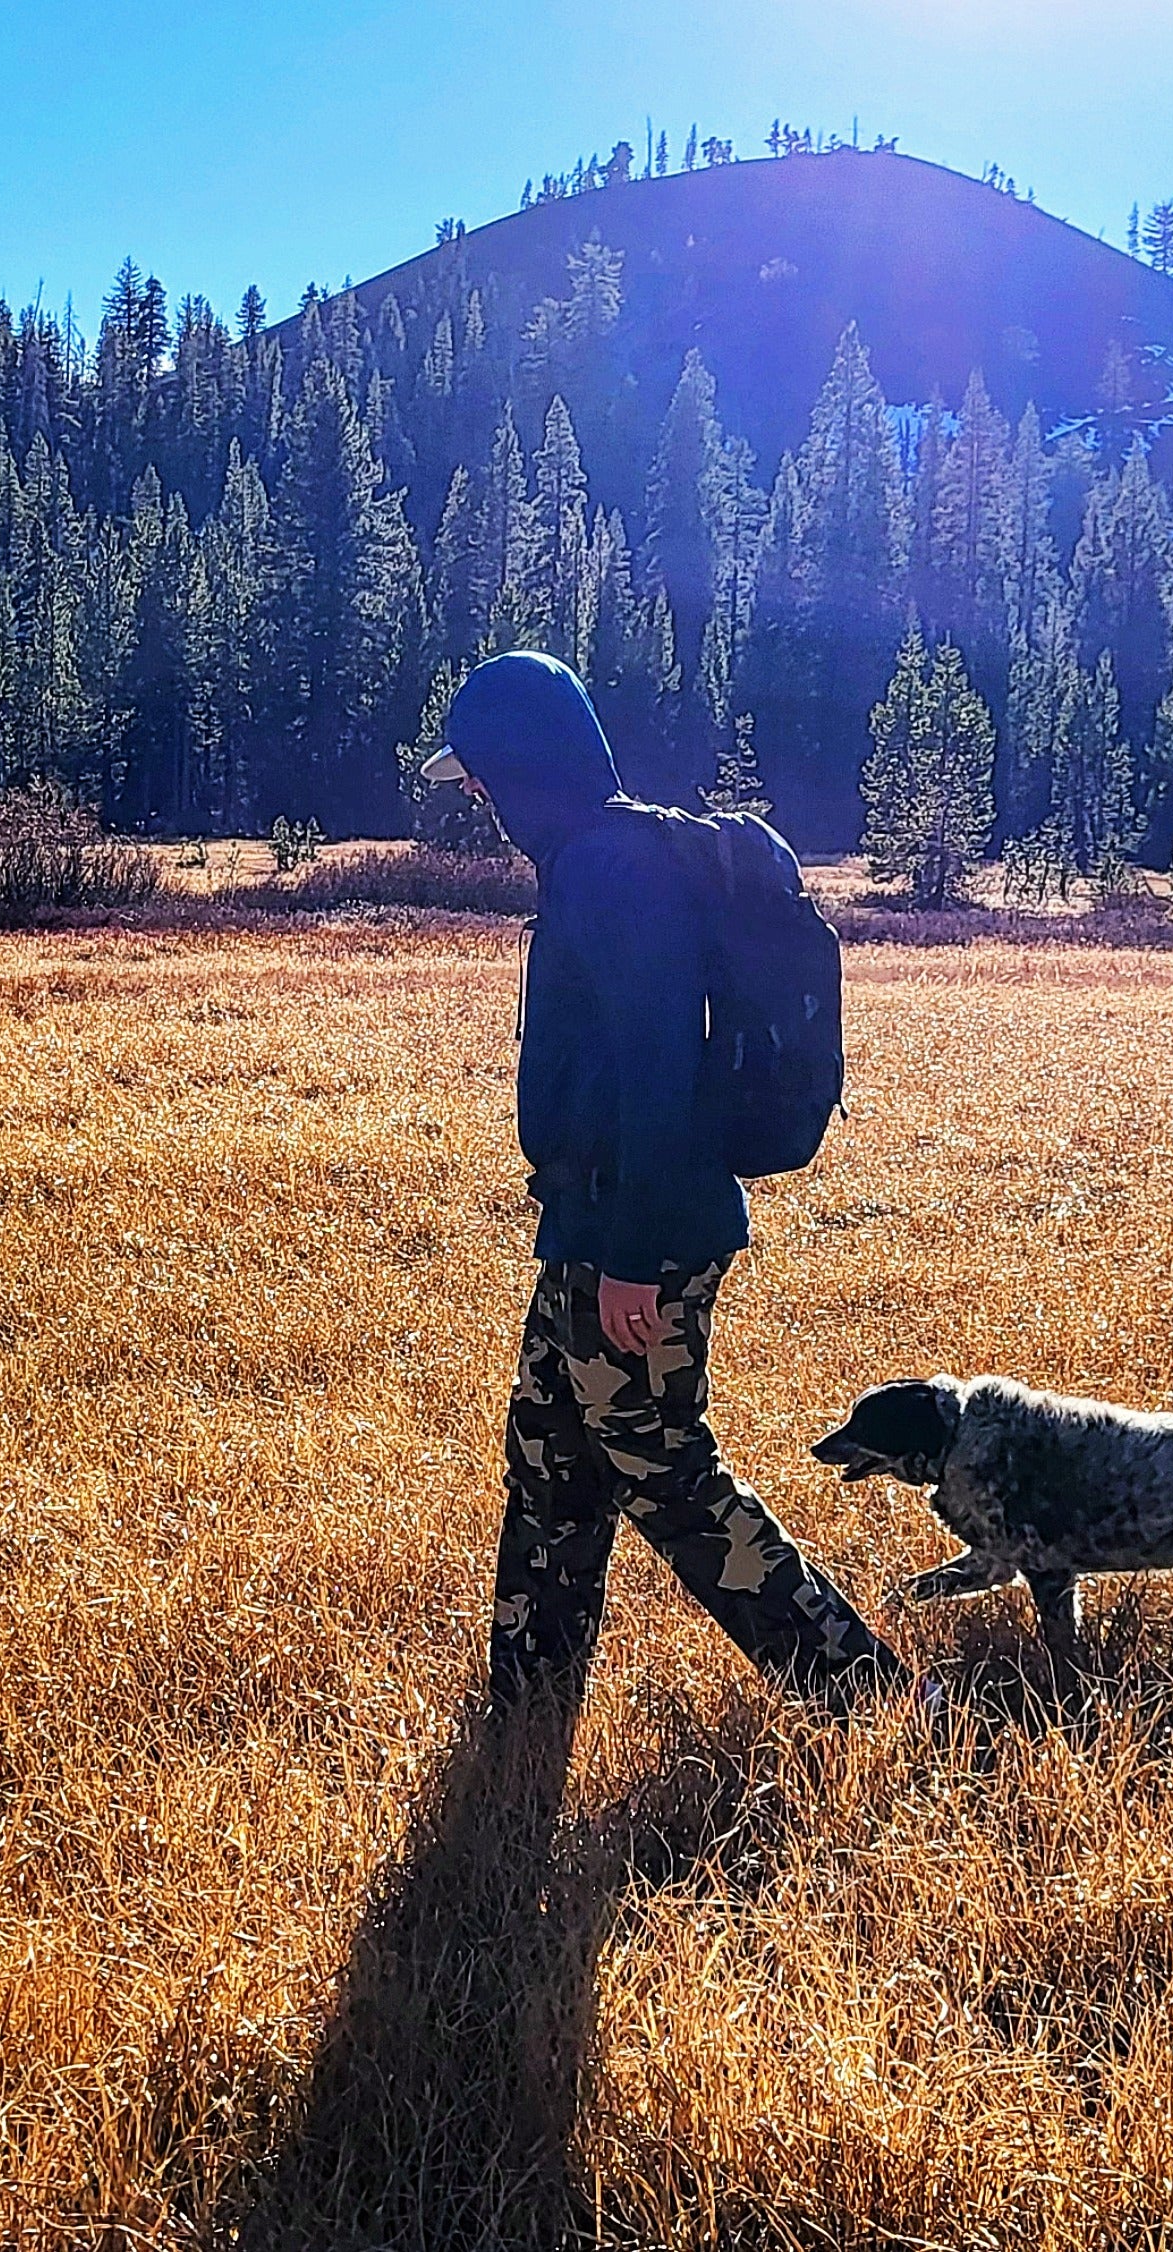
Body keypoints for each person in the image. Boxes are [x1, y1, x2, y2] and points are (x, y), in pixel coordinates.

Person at [421, 651, 907, 1710]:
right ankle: (529, 1698)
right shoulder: (591, 860)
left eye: (480, 773)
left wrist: (632, 1255)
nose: (477, 796)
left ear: (521, 763)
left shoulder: (610, 872)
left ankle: (863, 1692)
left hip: (639, 1228)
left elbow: (657, 1065)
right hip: (588, 1222)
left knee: (665, 1470)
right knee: (551, 1455)